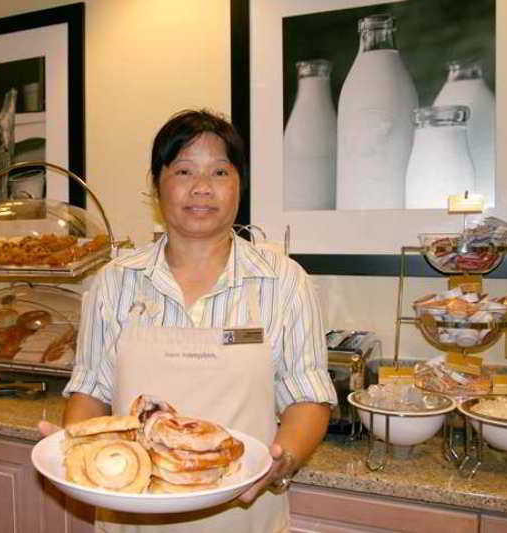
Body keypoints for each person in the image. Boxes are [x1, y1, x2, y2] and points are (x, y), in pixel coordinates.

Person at [40, 109, 337, 532]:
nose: (202, 187)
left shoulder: (285, 282)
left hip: (242, 515)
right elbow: (91, 392)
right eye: (183, 171)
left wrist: (283, 458)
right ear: (156, 187)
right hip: (132, 514)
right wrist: (76, 450)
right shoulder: (115, 282)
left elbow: (308, 397)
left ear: (239, 186)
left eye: (219, 172)